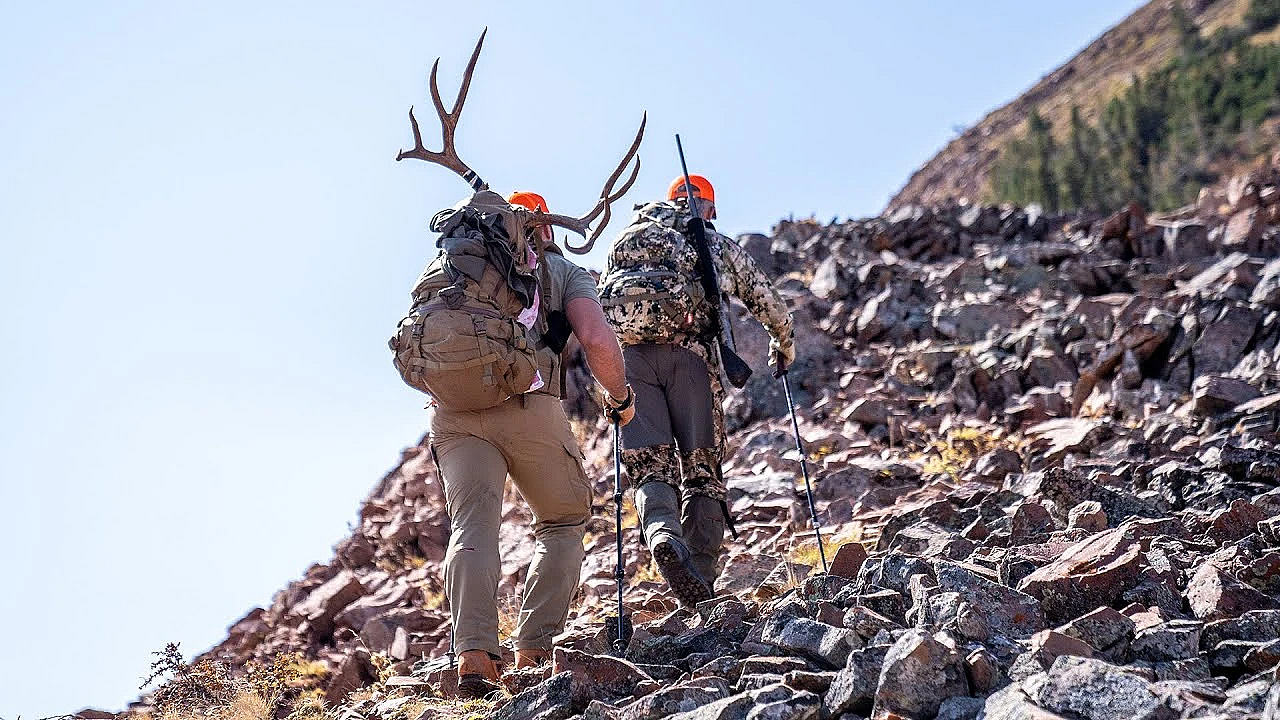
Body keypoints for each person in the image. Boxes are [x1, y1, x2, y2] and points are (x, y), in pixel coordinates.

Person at [429, 190, 634, 697]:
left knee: (472, 525)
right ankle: (534, 652)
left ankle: (474, 657)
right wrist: (621, 398)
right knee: (562, 520)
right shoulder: (559, 270)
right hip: (528, 403)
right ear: (544, 227)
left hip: (452, 410)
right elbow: (598, 339)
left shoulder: (457, 261)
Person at [599, 175, 794, 607]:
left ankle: (663, 534)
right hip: (691, 362)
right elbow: (763, 296)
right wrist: (784, 343)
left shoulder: (630, 238)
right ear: (708, 207)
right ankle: (700, 579)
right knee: (702, 471)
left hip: (631, 364)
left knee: (650, 466)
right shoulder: (711, 242)